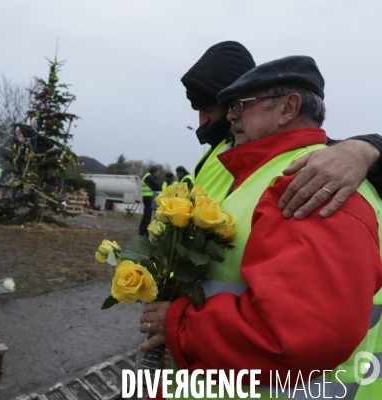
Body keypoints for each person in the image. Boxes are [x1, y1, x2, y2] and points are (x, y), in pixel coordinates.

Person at [140, 56, 382, 398]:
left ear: (288, 108)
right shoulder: (255, 170)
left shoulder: (311, 181)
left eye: (240, 104)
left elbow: (292, 333)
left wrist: (179, 323)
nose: (230, 115)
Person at [181, 41, 382, 216]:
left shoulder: (323, 167)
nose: (203, 121)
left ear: (288, 108)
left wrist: (365, 150)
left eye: (238, 104)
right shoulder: (215, 154)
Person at [139, 166, 161, 236]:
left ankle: (143, 230)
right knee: (148, 215)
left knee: (147, 215)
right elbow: (156, 187)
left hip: (147, 197)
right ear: (155, 171)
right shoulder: (148, 177)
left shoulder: (148, 176)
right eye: (158, 172)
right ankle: (145, 231)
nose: (158, 174)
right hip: (148, 198)